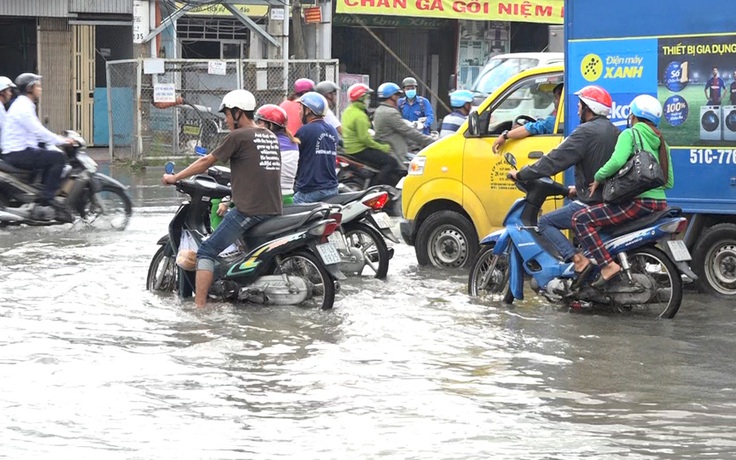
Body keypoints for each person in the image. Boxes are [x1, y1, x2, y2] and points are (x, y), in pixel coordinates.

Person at [162, 89, 282, 308]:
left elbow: (206, 161)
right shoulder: (269, 135)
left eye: (227, 114)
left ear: (238, 113)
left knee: (206, 251)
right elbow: (255, 169)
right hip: (273, 207)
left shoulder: (238, 136)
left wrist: (175, 177)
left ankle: (199, 311)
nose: (226, 119)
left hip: (250, 211)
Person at [507, 85, 619, 269]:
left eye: (579, 105)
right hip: (606, 199)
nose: (577, 109)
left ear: (588, 108)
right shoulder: (614, 131)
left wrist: (521, 174)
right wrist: (577, 189)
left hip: (592, 202)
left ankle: (577, 260)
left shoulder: (585, 132)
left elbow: (554, 160)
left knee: (544, 222)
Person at [571, 94, 674, 287]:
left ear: (634, 116)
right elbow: (668, 182)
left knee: (580, 219)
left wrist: (599, 178)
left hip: (637, 202)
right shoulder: (662, 143)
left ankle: (607, 266)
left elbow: (617, 161)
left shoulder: (631, 134)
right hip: (659, 204)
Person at [1, 73, 74, 222]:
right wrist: (63, 141)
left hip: (17, 150)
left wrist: (51, 142)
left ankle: (40, 198)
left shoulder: (23, 104)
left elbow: (34, 133)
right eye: (38, 86)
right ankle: (48, 198)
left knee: (48, 156)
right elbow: (37, 130)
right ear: (29, 88)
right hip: (17, 152)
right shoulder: (23, 106)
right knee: (57, 158)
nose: (40, 89)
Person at [373, 82, 434, 185]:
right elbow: (408, 131)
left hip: (399, 145)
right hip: (394, 150)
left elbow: (429, 117)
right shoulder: (391, 112)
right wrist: (431, 141)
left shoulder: (380, 110)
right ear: (392, 96)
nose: (398, 97)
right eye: (397, 95)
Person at [341, 83, 395, 186]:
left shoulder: (348, 111)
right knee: (391, 162)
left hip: (350, 148)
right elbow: (364, 139)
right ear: (361, 98)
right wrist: (382, 147)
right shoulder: (359, 115)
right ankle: (378, 186)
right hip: (359, 149)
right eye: (367, 97)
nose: (369, 99)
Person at [293, 92, 339, 203]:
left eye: (301, 109)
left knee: (285, 212)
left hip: (311, 191)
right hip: (332, 189)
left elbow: (293, 157)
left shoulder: (305, 131)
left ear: (308, 110)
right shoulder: (333, 130)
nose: (299, 113)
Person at [493, 83, 563, 153]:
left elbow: (534, 128)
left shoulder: (555, 122)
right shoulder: (561, 120)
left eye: (556, 98)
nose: (554, 101)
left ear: (564, 100)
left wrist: (505, 136)